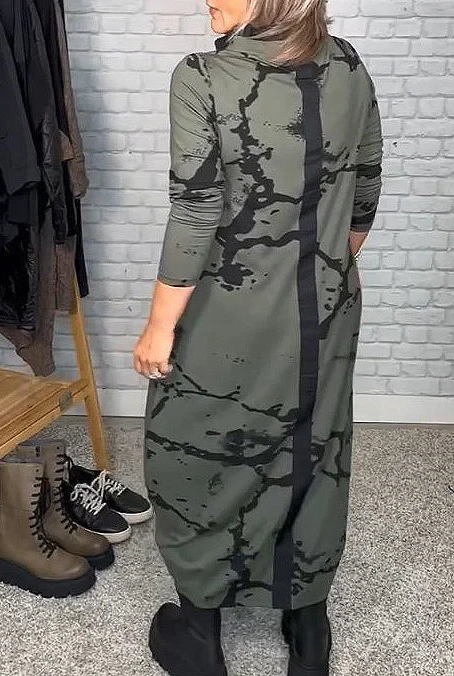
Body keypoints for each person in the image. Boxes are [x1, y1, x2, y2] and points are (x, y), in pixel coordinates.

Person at [133, 1, 383, 674]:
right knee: (313, 446)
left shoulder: (202, 77)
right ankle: (307, 629)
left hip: (230, 311)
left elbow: (196, 210)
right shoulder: (349, 65)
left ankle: (199, 632)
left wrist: (159, 326)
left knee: (194, 449)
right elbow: (364, 186)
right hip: (327, 307)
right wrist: (327, 265)